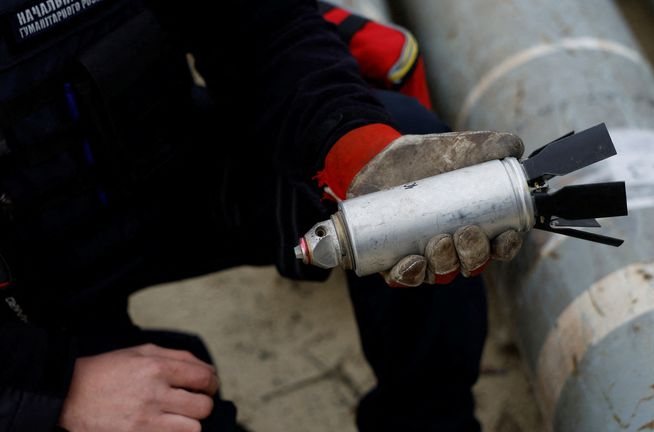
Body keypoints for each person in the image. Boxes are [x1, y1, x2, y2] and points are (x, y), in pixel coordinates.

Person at [0, 0, 524, 431]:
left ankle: (428, 422)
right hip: (22, 317)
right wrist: (56, 389)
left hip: (157, 177)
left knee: (420, 194)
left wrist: (352, 144)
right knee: (183, 411)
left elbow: (260, 28)